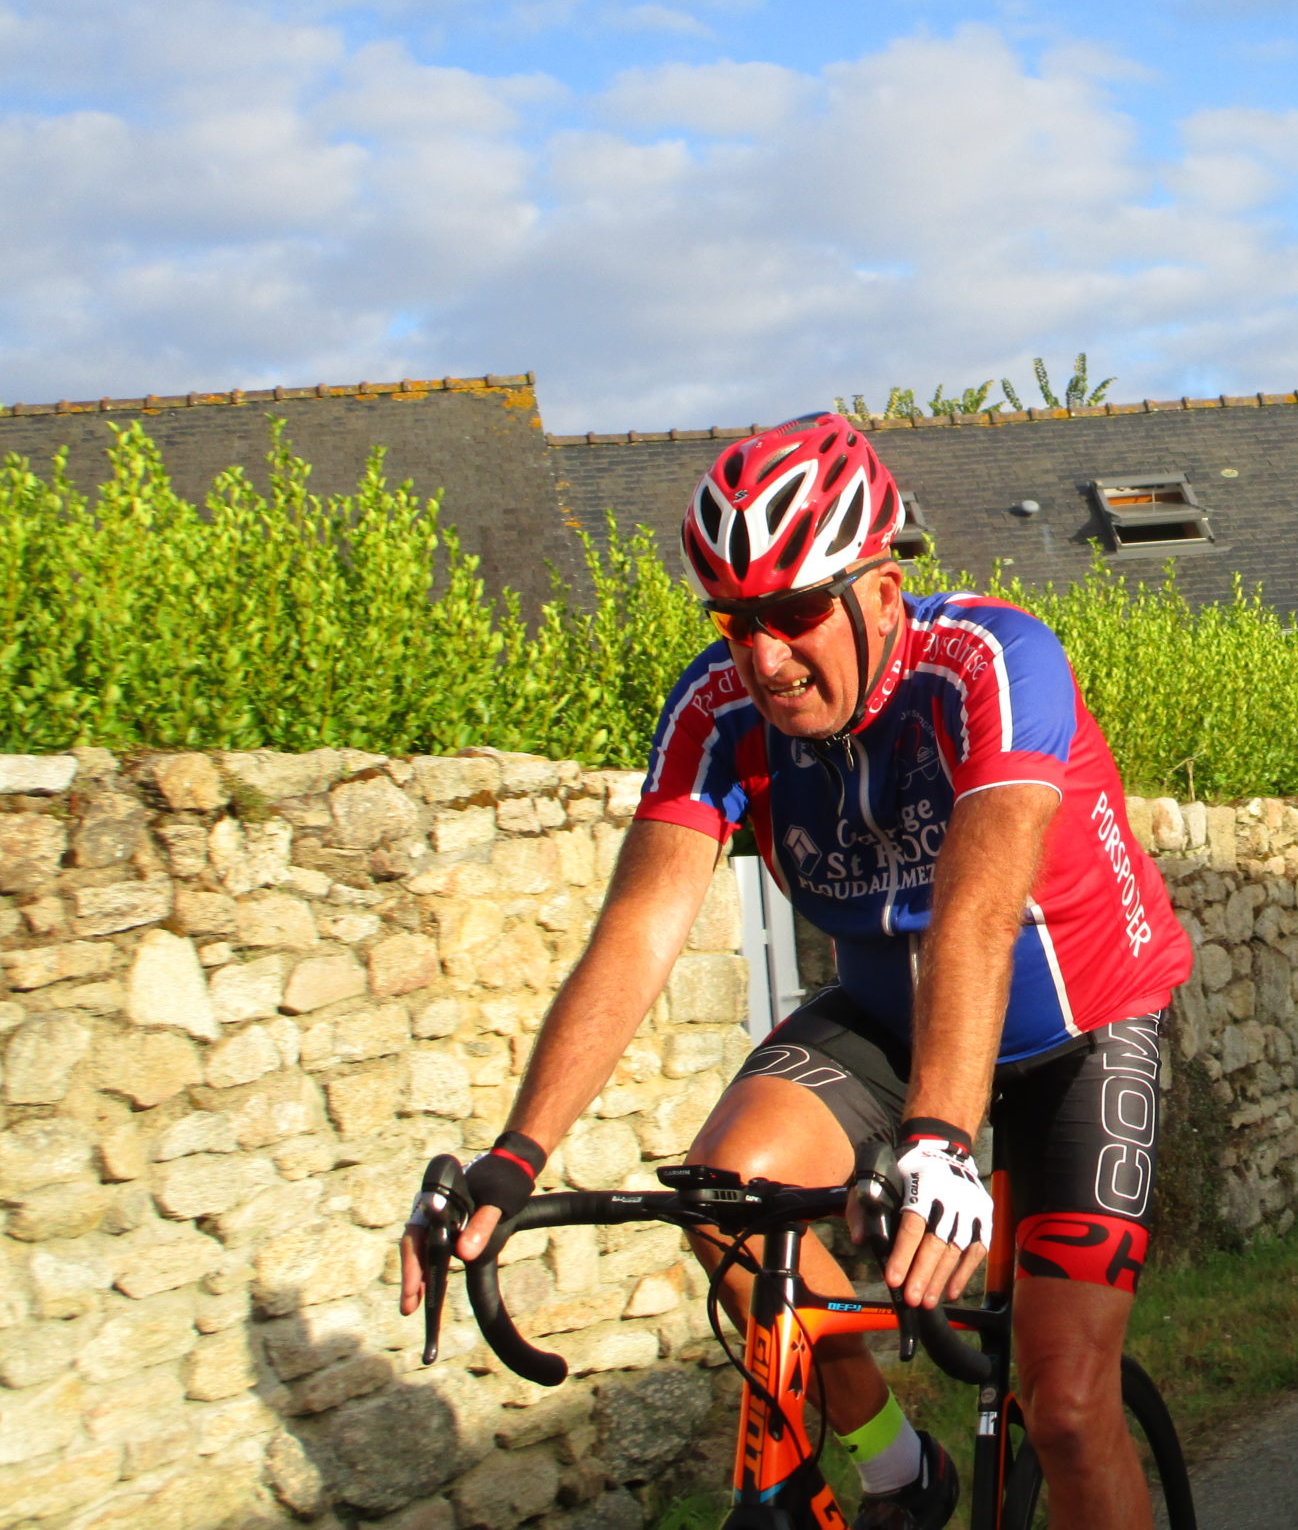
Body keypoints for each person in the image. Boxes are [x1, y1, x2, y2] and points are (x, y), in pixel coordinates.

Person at [400, 413, 1194, 1530]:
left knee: (1064, 1405)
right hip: (888, 1019)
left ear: (877, 586)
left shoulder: (995, 664)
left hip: (1083, 1025)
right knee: (725, 1190)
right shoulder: (717, 710)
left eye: (791, 613)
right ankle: (891, 1467)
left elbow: (974, 916)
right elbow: (638, 927)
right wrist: (516, 1156)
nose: (762, 656)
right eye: (732, 620)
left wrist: (939, 1142)